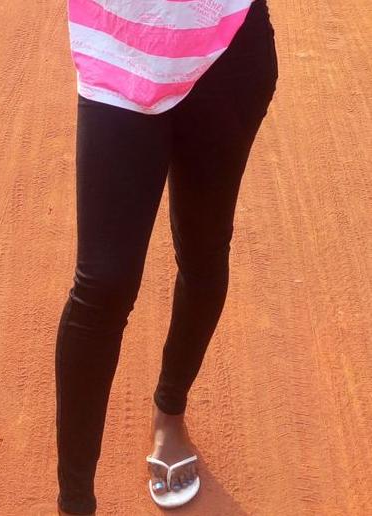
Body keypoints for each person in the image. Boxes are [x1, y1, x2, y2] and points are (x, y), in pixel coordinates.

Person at [55, 0, 278, 513]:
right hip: (119, 49)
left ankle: (170, 410)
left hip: (226, 46)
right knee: (103, 285)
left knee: (204, 249)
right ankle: (74, 502)